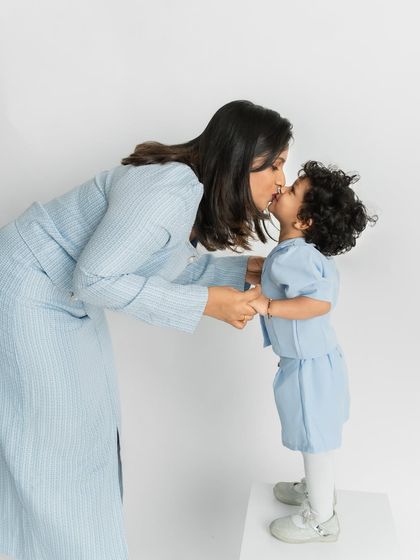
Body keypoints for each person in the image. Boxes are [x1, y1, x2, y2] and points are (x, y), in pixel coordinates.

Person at [0, 100, 292, 559]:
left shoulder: (184, 193)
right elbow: (97, 279)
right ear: (240, 156)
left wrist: (244, 270)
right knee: (57, 450)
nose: (281, 181)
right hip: (28, 291)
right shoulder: (169, 190)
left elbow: (145, 269)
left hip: (61, 294)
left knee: (84, 442)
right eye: (274, 163)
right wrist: (205, 305)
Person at [249, 160, 377, 544]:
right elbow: (280, 280)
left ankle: (322, 519)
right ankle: (314, 489)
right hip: (312, 362)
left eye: (292, 191)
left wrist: (268, 306)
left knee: (314, 440)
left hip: (308, 368)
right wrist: (256, 278)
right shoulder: (295, 252)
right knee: (313, 434)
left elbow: (317, 303)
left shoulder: (298, 256)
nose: (282, 187)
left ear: (304, 220)